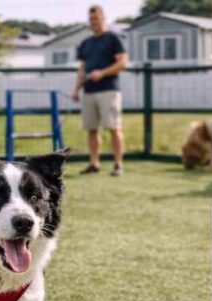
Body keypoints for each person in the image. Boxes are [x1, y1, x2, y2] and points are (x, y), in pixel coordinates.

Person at [72, 5, 128, 176]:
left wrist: (102, 73)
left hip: (109, 90)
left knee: (113, 127)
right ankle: (94, 163)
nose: (94, 22)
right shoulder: (86, 43)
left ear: (103, 19)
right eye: (91, 20)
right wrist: (76, 90)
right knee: (92, 129)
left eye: (96, 19)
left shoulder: (113, 39)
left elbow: (122, 63)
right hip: (89, 92)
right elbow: (82, 69)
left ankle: (118, 164)